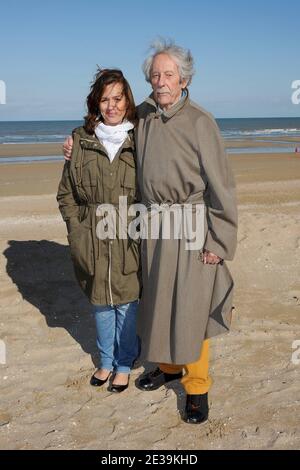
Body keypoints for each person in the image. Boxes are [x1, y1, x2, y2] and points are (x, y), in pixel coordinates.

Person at [63, 40, 238, 424]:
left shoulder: (200, 122)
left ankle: (196, 387)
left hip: (191, 224)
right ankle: (170, 367)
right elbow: (107, 125)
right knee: (159, 302)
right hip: (152, 225)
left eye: (168, 75)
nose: (161, 81)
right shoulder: (143, 115)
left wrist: (219, 241)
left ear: (184, 79)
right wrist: (76, 139)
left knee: (191, 308)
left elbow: (222, 187)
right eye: (155, 75)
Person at [57, 68, 141, 393]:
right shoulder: (80, 140)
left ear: (127, 100)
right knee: (101, 304)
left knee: (127, 301)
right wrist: (76, 230)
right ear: (96, 103)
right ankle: (106, 362)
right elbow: (66, 193)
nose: (112, 106)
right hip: (91, 236)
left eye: (117, 98)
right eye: (105, 99)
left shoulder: (141, 140)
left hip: (128, 235)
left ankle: (124, 363)